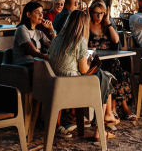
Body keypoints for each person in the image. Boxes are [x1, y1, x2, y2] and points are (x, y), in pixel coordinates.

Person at [48, 9, 117, 140]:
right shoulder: (79, 41)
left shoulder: (57, 39)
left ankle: (102, 124)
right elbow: (84, 70)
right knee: (104, 79)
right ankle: (100, 128)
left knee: (103, 77)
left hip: (55, 83)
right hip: (70, 87)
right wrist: (89, 61)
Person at [87, 0, 133, 119]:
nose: (99, 16)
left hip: (109, 58)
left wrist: (107, 22)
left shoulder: (107, 24)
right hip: (94, 61)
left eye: (101, 13)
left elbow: (116, 40)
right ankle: (112, 110)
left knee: (120, 72)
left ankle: (122, 107)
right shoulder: (87, 25)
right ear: (91, 12)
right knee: (110, 72)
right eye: (96, 13)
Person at [12, 1, 54, 66]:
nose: (41, 15)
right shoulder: (22, 29)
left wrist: (51, 28)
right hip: (24, 65)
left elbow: (54, 47)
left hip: (37, 64)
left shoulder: (39, 32)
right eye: (37, 12)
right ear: (28, 14)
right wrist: (52, 60)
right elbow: (33, 53)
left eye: (42, 13)